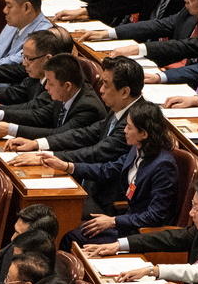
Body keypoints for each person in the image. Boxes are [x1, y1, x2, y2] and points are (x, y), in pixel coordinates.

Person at [54, 103, 178, 245]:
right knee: (72, 235)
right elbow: (107, 169)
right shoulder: (137, 149)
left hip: (142, 235)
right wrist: (67, 166)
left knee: (72, 239)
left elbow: (155, 215)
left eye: (129, 127)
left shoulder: (163, 166)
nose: (124, 130)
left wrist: (113, 221)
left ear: (144, 134)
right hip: (127, 223)